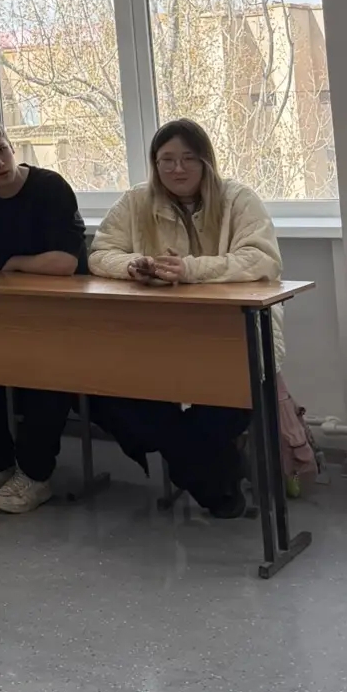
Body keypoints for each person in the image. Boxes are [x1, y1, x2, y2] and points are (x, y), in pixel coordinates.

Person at [89, 117, 280, 517]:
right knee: (106, 397)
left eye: (188, 159)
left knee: (221, 413)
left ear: (206, 161)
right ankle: (219, 473)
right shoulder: (136, 201)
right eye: (167, 160)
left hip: (230, 335)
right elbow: (101, 252)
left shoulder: (238, 199)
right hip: (155, 336)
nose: (177, 169)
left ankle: (210, 483)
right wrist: (133, 265)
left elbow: (261, 259)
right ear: (155, 163)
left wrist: (191, 269)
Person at [0, 118, 87, 515]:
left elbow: (67, 263)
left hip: (66, 311)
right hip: (13, 309)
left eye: (2, 150)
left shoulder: (50, 187)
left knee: (46, 372)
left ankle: (35, 474)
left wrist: (15, 263)